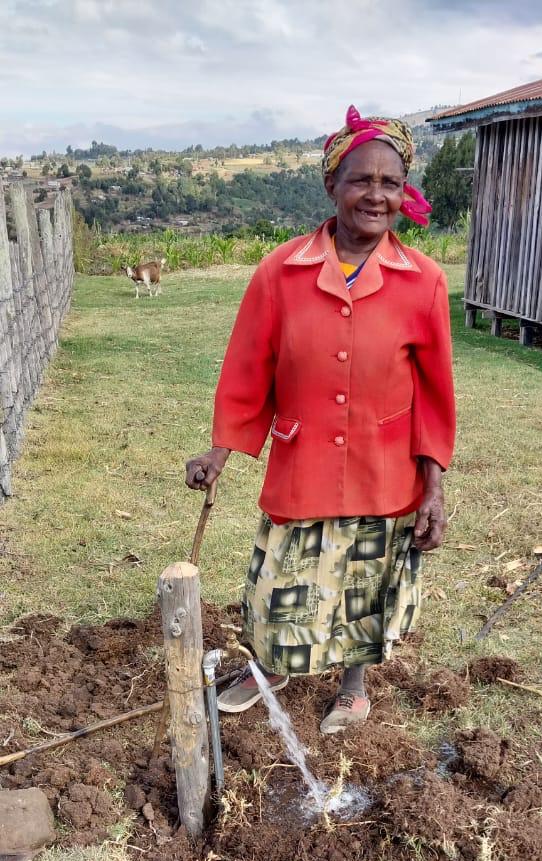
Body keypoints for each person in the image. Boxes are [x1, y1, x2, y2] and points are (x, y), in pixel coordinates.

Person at [186, 105, 456, 734]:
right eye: (362, 179)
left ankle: (352, 689)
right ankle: (273, 666)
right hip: (303, 462)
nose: (376, 195)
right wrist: (219, 451)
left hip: (385, 472)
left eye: (391, 183)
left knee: (363, 593)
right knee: (279, 586)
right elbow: (250, 373)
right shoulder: (281, 272)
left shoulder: (424, 282)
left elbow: (435, 397)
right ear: (332, 183)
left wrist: (434, 488)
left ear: (403, 193)